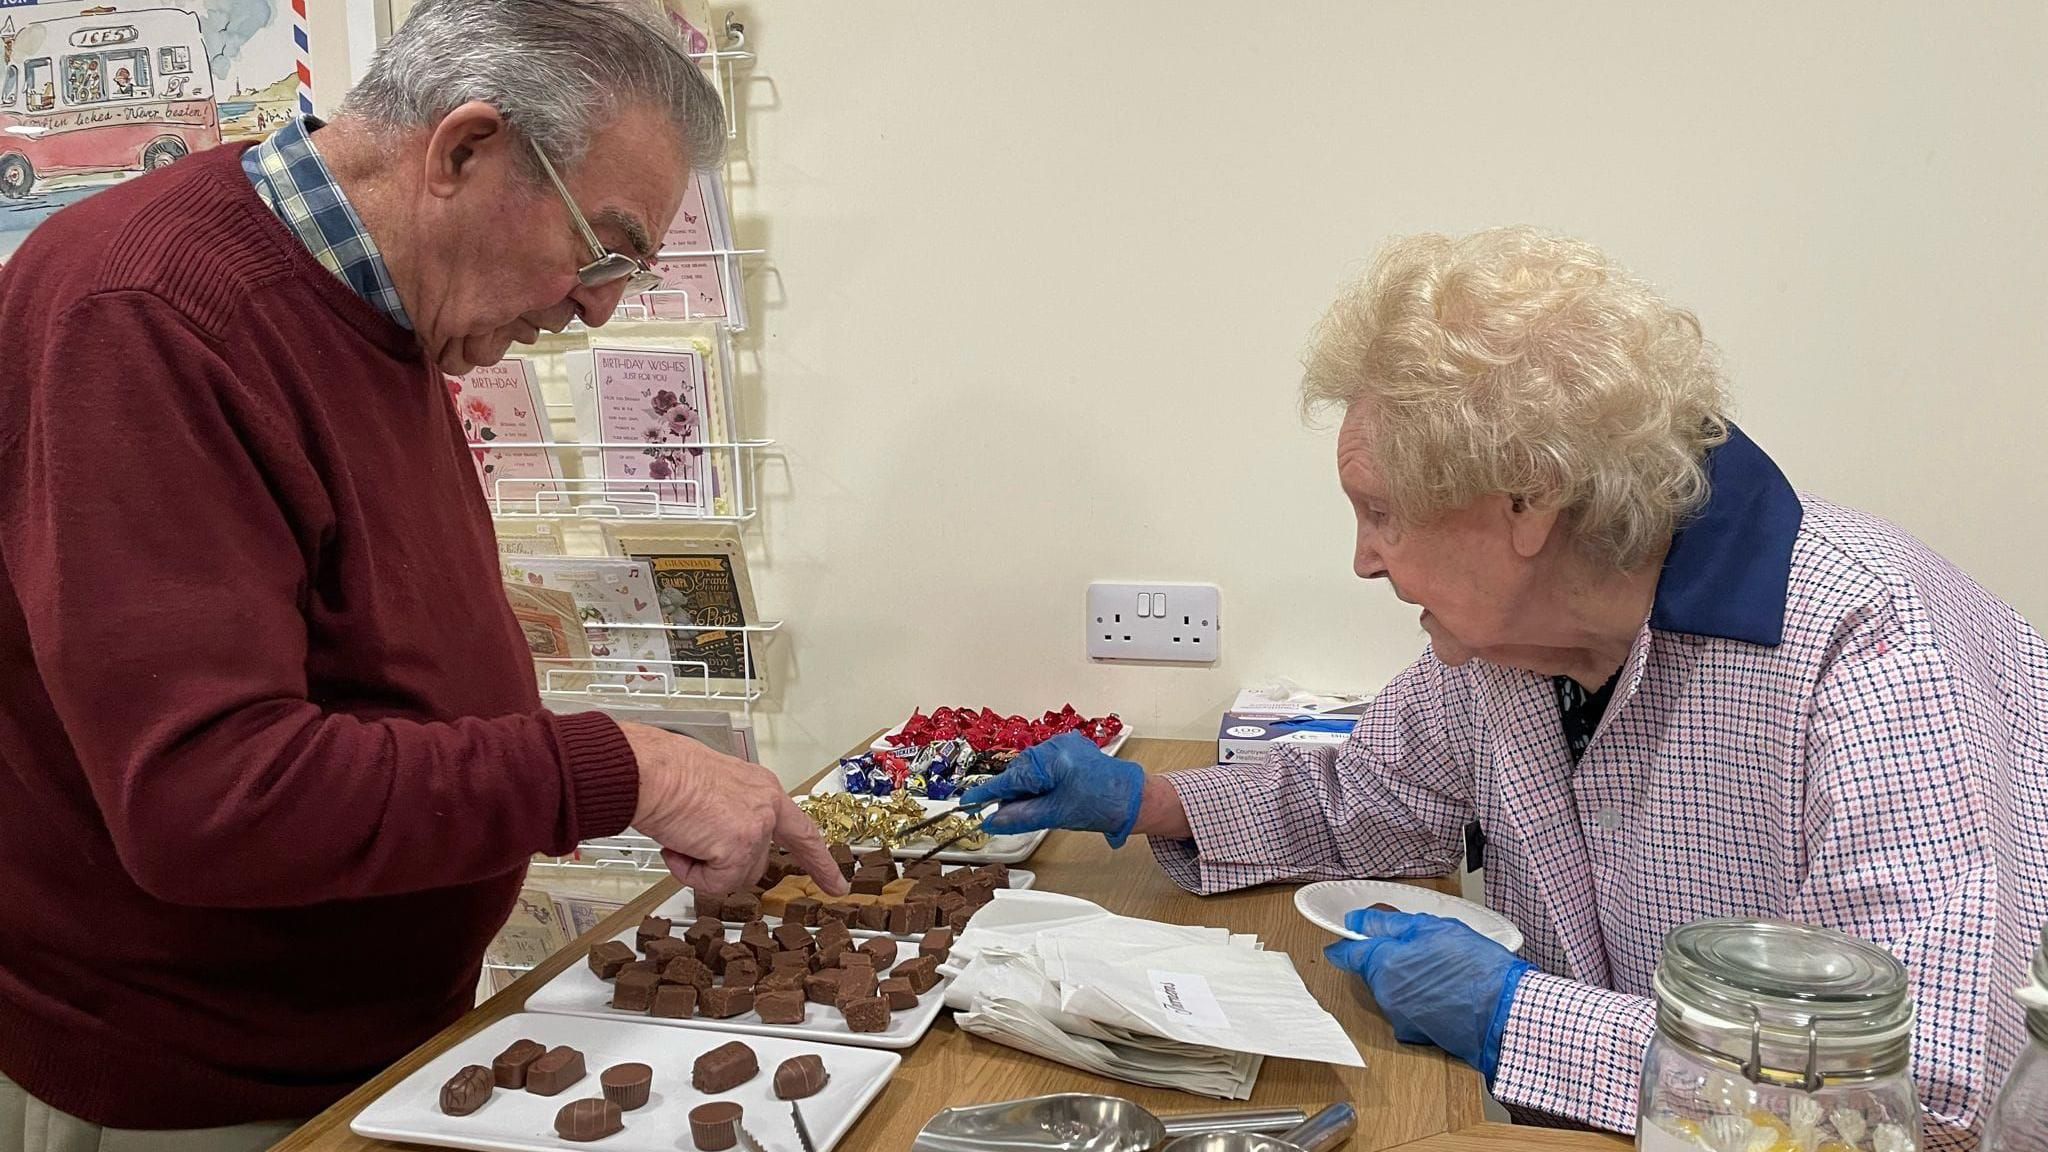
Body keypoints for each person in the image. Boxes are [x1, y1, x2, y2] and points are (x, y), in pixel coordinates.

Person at [965, 228, 2048, 1145]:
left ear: (1527, 503)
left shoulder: (1863, 642)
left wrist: (1517, 1021)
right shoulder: (1509, 653)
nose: (1362, 560)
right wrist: (1138, 800)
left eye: (1379, 511)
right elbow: (1370, 802)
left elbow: (1922, 1097)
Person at [0, 0, 846, 1146]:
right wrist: (623, 771)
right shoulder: (146, 311)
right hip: (194, 1082)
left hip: (373, 1046)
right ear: (463, 149)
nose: (597, 304)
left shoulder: (383, 309)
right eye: (603, 248)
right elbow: (207, 801)